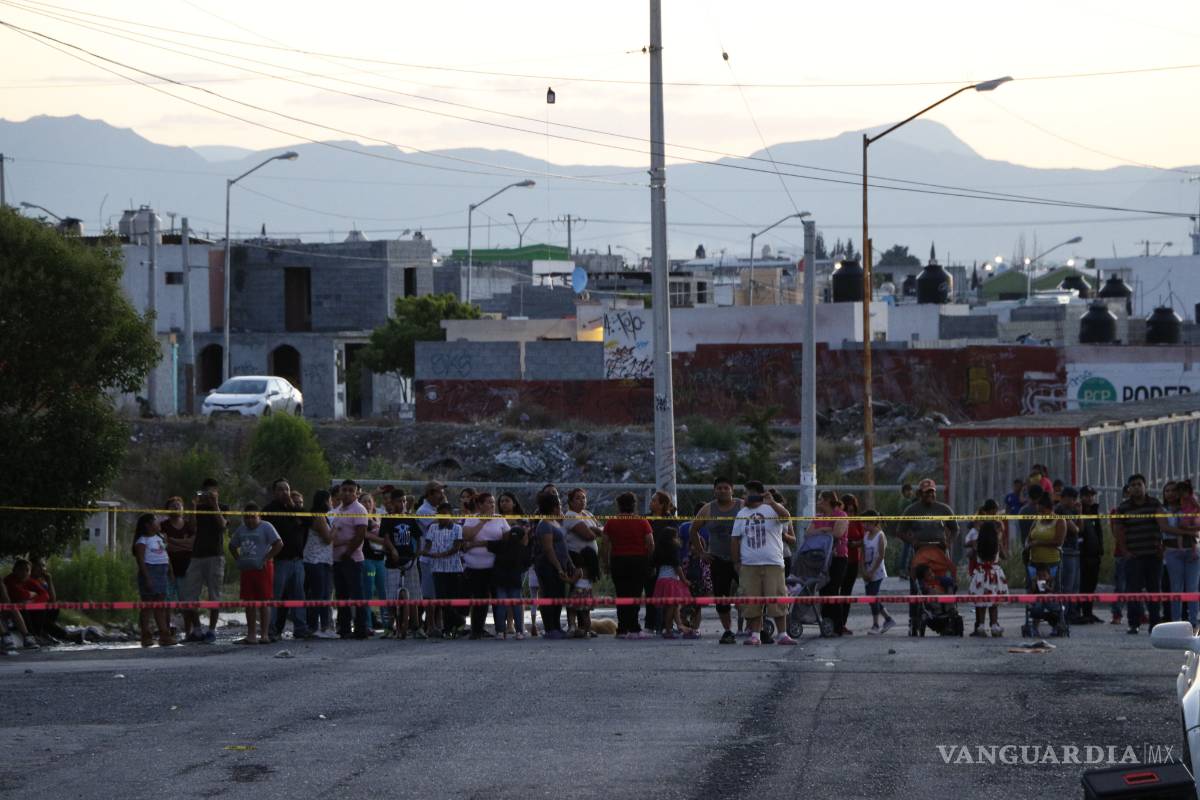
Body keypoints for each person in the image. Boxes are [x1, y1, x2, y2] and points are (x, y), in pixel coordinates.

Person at [731, 481, 796, 646]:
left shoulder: (772, 509)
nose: (744, 497)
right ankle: (755, 635)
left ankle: (782, 634)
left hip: (773, 563)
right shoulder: (742, 513)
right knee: (752, 601)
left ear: (756, 494)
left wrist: (772, 502)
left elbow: (786, 518)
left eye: (746, 493)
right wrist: (736, 562)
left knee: (778, 599)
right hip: (749, 565)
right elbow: (735, 539)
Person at [688, 477, 744, 644]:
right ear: (714, 490)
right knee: (721, 597)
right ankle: (727, 631)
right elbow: (693, 530)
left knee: (750, 593)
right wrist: (702, 552)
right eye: (719, 488)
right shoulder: (708, 509)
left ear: (732, 490)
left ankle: (756, 629)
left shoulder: (742, 505)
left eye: (726, 487)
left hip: (742, 559)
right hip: (718, 559)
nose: (722, 490)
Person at [1113, 474, 1168, 635]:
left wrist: (1162, 547)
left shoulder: (1154, 504)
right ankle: (1133, 623)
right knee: (1133, 590)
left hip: (1153, 555)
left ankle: (1155, 624)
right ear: (1129, 489)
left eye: (1139, 484)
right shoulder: (1123, 507)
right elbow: (1118, 531)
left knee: (1154, 590)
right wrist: (1125, 552)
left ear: (1145, 486)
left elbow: (1164, 526)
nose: (1137, 487)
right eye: (1133, 485)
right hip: (1133, 556)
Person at [262, 478, 310, 643]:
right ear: (274, 492)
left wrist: (294, 507)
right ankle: (271, 630)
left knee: (299, 596)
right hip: (279, 561)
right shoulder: (269, 511)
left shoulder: (295, 509)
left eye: (287, 489)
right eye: (281, 489)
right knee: (275, 597)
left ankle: (301, 629)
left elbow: (309, 521)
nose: (285, 492)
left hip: (297, 561)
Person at [229, 503, 283, 646]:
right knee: (249, 602)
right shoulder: (241, 529)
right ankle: (251, 635)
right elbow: (232, 545)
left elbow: (279, 544)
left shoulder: (266, 527)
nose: (250, 520)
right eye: (247, 517)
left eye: (253, 517)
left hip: (263, 569)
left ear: (259, 516)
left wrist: (266, 558)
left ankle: (264, 634)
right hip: (247, 569)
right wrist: (238, 559)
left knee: (264, 601)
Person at [181, 478, 227, 643]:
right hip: (197, 555)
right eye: (206, 492)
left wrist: (215, 505)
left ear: (217, 492)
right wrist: (194, 507)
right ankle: (197, 629)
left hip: (215, 555)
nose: (209, 495)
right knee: (189, 595)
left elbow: (222, 525)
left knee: (215, 595)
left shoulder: (223, 507)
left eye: (212, 492)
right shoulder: (198, 508)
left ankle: (212, 630)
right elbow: (192, 527)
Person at [603, 491, 655, 639]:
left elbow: (605, 545)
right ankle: (634, 627)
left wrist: (605, 563)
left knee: (621, 594)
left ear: (619, 506)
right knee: (635, 594)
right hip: (638, 561)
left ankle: (622, 628)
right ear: (634, 505)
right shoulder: (642, 522)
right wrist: (649, 561)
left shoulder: (611, 522)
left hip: (618, 560)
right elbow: (650, 543)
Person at [462, 492, 509, 639]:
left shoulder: (500, 519)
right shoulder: (472, 519)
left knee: (497, 598)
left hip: (494, 566)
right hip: (474, 567)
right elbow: (466, 536)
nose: (492, 505)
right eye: (489, 502)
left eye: (493, 502)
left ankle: (501, 629)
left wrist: (481, 544)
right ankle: (477, 629)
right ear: (480, 505)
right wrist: (483, 521)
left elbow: (506, 541)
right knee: (480, 598)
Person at [533, 491, 577, 640]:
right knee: (550, 594)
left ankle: (557, 626)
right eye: (558, 504)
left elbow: (562, 545)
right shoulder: (544, 524)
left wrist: (569, 562)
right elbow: (548, 549)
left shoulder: (555, 522)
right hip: (548, 566)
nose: (560, 507)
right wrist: (558, 567)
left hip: (560, 564)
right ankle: (550, 628)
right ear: (553, 507)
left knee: (558, 595)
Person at [381, 489, 423, 640]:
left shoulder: (410, 518)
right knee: (392, 595)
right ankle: (389, 627)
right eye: (399, 501)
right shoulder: (387, 519)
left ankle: (416, 627)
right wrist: (392, 550)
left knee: (414, 595)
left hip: (409, 560)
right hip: (393, 562)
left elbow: (418, 537)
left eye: (404, 501)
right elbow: (385, 537)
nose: (402, 504)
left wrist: (418, 551)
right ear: (392, 503)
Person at [331, 480, 370, 639]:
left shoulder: (359, 509)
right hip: (337, 559)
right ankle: (344, 628)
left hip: (352, 559)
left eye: (350, 490)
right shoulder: (338, 509)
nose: (346, 493)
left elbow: (360, 535)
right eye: (344, 490)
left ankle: (361, 629)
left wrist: (347, 553)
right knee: (342, 595)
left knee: (357, 595)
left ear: (356, 493)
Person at [131, 514, 176, 648]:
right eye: (156, 522)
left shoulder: (159, 538)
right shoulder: (142, 541)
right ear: (148, 525)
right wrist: (147, 578)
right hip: (150, 572)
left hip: (162, 573)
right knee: (147, 607)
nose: (159, 524)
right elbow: (141, 561)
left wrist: (170, 571)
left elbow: (165, 555)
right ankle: (145, 635)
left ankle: (164, 635)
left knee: (160, 606)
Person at [563, 488, 602, 637]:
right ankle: (572, 626)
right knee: (574, 601)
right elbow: (589, 536)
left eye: (584, 498)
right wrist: (593, 529)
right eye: (578, 498)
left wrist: (594, 528)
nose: (582, 500)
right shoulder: (571, 516)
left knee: (585, 605)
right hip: (577, 559)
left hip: (590, 562)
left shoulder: (587, 514)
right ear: (571, 501)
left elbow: (601, 529)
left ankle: (585, 627)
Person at [488, 505, 530, 640]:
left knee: (501, 605)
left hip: (499, 579)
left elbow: (488, 545)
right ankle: (519, 632)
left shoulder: (501, 544)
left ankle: (500, 631)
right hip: (515, 579)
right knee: (516, 606)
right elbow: (527, 563)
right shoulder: (522, 549)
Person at [301, 490, 338, 639]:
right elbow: (328, 538)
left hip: (323, 561)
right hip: (315, 561)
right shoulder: (319, 517)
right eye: (329, 500)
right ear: (324, 501)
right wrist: (336, 527)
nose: (331, 503)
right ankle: (314, 627)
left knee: (324, 594)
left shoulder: (323, 517)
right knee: (319, 594)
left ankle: (324, 627)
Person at [811, 491, 849, 635]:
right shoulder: (819, 517)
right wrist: (826, 529)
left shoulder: (841, 515)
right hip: (822, 558)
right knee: (823, 590)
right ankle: (826, 625)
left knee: (833, 590)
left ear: (827, 501)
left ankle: (837, 627)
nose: (818, 502)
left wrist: (821, 530)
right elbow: (809, 533)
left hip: (838, 558)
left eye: (820, 499)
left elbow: (838, 533)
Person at [424, 501, 465, 638]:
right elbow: (428, 545)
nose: (442, 517)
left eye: (445, 514)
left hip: (453, 568)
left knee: (452, 599)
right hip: (437, 569)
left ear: (451, 515)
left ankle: (451, 626)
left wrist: (440, 555)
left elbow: (456, 547)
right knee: (441, 599)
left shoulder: (457, 528)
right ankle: (456, 623)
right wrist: (425, 552)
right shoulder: (433, 528)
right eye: (440, 514)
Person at [1162, 481, 1200, 628]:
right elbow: (1165, 528)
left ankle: (1193, 622)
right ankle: (1176, 622)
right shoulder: (1163, 510)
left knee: (1192, 588)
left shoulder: (1190, 504)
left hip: (1193, 551)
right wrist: (1188, 531)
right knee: (1176, 588)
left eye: (1174, 490)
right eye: (1168, 491)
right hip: (1173, 552)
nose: (1172, 494)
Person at [651, 526, 699, 639]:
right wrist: (685, 580)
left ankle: (678, 626)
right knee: (671, 607)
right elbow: (677, 567)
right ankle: (668, 630)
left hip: (662, 580)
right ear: (672, 539)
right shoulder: (673, 550)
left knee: (673, 606)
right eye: (676, 536)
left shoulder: (659, 551)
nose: (678, 539)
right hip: (671, 581)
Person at [415, 481, 447, 637]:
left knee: (439, 592)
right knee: (429, 593)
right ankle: (430, 625)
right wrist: (445, 507)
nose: (442, 495)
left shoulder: (436, 509)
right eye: (439, 492)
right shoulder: (423, 510)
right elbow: (441, 523)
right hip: (428, 558)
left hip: (441, 556)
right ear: (430, 494)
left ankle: (439, 624)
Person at [160, 496, 195, 638]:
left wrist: (173, 541)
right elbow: (164, 546)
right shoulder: (163, 526)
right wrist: (183, 543)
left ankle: (189, 632)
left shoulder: (188, 525)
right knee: (167, 603)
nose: (176, 508)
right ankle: (167, 632)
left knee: (186, 601)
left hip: (186, 567)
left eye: (178, 506)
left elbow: (192, 544)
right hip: (168, 568)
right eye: (173, 506)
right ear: (168, 509)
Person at [896, 478, 959, 556]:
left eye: (932, 491)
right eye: (926, 492)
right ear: (920, 493)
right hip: (920, 552)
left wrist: (948, 542)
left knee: (942, 568)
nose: (930, 494)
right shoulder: (911, 510)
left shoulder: (945, 509)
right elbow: (900, 531)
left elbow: (955, 529)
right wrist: (913, 542)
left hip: (941, 551)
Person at [968, 520, 1008, 637]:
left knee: (981, 601)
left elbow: (970, 555)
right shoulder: (997, 543)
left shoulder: (977, 544)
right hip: (994, 574)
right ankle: (994, 625)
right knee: (993, 602)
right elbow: (1005, 556)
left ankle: (980, 626)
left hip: (981, 574)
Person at [859, 510, 895, 635]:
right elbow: (862, 553)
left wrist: (872, 571)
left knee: (873, 596)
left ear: (874, 521)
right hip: (867, 571)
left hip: (877, 571)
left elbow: (880, 556)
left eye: (867, 522)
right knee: (870, 598)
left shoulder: (880, 535)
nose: (865, 525)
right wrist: (863, 570)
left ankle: (876, 624)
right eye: (864, 522)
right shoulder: (866, 535)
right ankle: (888, 619)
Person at [646, 490, 677, 634]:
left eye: (654, 500)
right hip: (649, 562)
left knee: (668, 597)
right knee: (651, 594)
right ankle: (650, 624)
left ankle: (667, 625)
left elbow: (674, 543)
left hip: (665, 564)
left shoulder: (671, 521)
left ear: (662, 504)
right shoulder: (645, 519)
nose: (651, 503)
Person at [4, 558, 53, 644]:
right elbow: (20, 594)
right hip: (10, 611)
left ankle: (38, 635)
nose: (24, 573)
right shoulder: (9, 580)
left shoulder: (29, 580)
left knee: (44, 609)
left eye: (27, 570)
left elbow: (45, 595)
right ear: (14, 570)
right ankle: (32, 635)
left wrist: (31, 601)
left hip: (26, 607)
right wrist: (32, 594)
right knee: (24, 609)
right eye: (21, 570)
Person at [360, 491, 388, 632]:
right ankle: (368, 624)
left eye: (369, 501)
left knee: (383, 591)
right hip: (368, 560)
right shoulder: (360, 516)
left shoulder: (379, 516)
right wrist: (381, 540)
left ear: (373, 503)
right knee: (368, 591)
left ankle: (387, 624)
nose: (367, 504)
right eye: (364, 501)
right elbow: (364, 534)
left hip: (380, 560)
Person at [835, 493, 863, 634]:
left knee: (847, 593)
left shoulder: (857, 521)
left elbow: (864, 539)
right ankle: (835, 622)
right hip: (840, 559)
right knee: (836, 592)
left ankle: (843, 623)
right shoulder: (839, 520)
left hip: (853, 560)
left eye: (852, 511)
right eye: (848, 511)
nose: (850, 514)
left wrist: (855, 543)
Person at [1077, 486, 1105, 624]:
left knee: (1091, 586)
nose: (1089, 498)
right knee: (1082, 585)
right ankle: (1079, 612)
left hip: (1094, 554)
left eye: (1091, 495)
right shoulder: (1078, 510)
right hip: (1083, 555)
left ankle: (1088, 612)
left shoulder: (1094, 510)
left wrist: (1100, 550)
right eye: (1086, 495)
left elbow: (1099, 533)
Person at [1055, 486, 1083, 623]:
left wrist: (1079, 513)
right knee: (1067, 585)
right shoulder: (1060, 510)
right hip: (1066, 551)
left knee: (1074, 586)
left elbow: (1080, 528)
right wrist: (1077, 518)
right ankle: (1064, 615)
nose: (1073, 502)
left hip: (1074, 550)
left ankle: (1072, 612)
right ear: (1064, 498)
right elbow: (1075, 529)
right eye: (1072, 499)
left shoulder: (1072, 510)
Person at [894, 483, 916, 578]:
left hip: (906, 529)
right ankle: (903, 570)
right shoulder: (906, 502)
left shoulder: (907, 501)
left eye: (911, 490)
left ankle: (906, 569)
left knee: (908, 549)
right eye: (908, 490)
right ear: (904, 492)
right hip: (907, 529)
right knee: (907, 549)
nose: (910, 492)